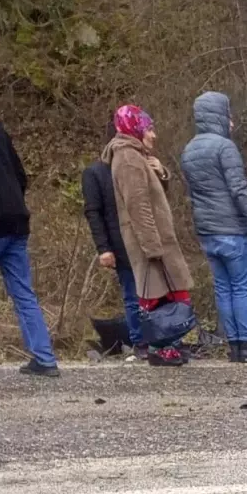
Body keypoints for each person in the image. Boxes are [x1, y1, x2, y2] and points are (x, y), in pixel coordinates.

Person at [180, 92, 247, 363]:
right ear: (219, 116)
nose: (232, 122)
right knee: (241, 287)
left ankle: (233, 345)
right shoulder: (224, 148)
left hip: (208, 231)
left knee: (222, 288)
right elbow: (238, 190)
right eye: (228, 115)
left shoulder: (189, 150)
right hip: (232, 229)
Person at [104, 105, 195, 367]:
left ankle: (171, 344)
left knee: (170, 293)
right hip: (150, 241)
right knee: (157, 296)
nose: (154, 135)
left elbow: (154, 195)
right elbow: (138, 205)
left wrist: (160, 171)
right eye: (149, 129)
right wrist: (152, 246)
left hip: (156, 238)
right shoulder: (128, 158)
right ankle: (160, 347)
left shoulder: (138, 156)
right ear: (135, 129)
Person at [82, 117, 169, 360]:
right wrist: (103, 248)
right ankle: (140, 341)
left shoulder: (143, 164)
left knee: (158, 294)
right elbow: (93, 212)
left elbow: (159, 203)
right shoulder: (96, 173)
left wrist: (160, 174)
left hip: (150, 239)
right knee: (133, 294)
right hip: (121, 244)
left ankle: (160, 340)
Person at [0, 115, 60, 377]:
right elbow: (20, 173)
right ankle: (44, 358)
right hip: (16, 219)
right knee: (23, 292)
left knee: (23, 292)